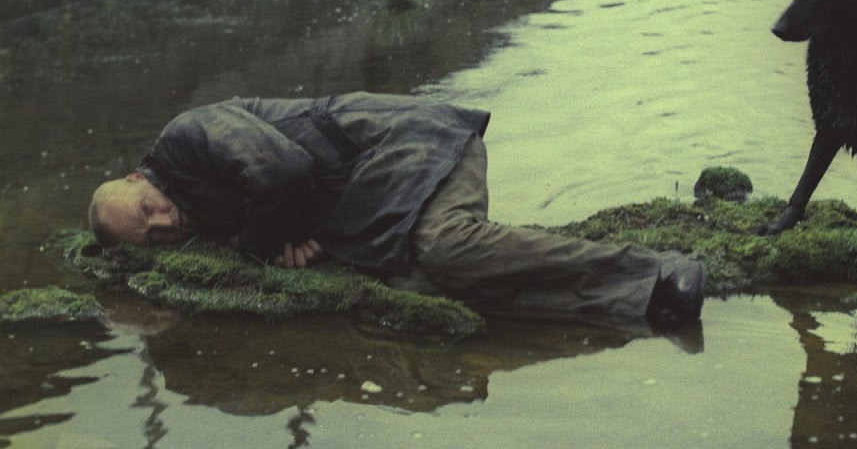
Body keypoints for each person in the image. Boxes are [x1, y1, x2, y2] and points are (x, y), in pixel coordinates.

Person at [88, 92, 705, 328]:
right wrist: (286, 236)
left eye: (147, 207)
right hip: (378, 196)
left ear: (134, 175)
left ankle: (656, 267)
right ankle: (644, 306)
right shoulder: (192, 206)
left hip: (411, 144)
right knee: (421, 282)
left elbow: (283, 171)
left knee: (446, 246)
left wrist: (267, 243)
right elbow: (279, 202)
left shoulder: (186, 134)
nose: (164, 223)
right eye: (151, 236)